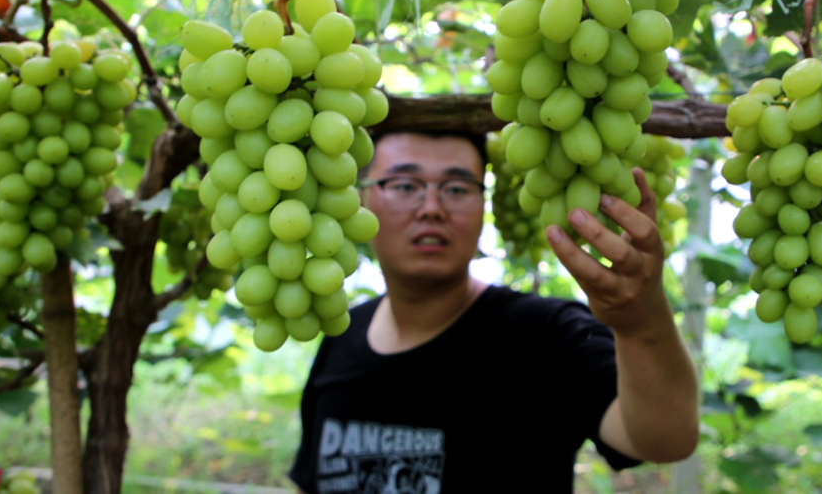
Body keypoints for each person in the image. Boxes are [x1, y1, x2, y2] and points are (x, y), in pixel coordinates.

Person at [289, 129, 700, 493]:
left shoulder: (547, 333)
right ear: (360, 199)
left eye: (456, 188)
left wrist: (643, 323)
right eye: (404, 184)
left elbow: (665, 439)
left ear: (484, 203)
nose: (431, 207)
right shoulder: (343, 333)